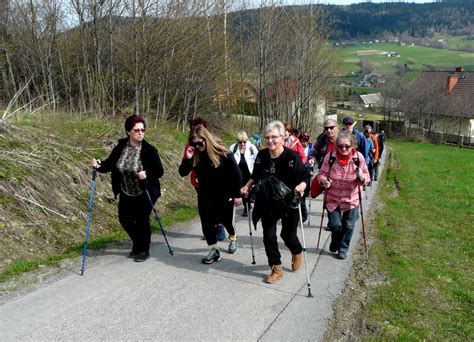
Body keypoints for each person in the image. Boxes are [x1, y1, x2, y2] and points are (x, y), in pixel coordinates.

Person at [241, 120, 307, 284]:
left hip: (288, 201)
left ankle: (296, 250)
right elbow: (255, 175)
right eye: (267, 137)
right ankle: (276, 268)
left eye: (274, 137)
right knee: (268, 236)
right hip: (268, 202)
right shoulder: (262, 155)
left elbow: (304, 176)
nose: (270, 141)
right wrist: (247, 186)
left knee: (287, 235)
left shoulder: (292, 157)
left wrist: (302, 185)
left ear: (283, 138)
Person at [92, 114, 164, 262]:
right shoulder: (120, 147)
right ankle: (138, 243)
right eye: (137, 130)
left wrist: (147, 174)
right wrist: (99, 166)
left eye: (143, 130)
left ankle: (143, 250)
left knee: (142, 220)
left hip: (145, 191)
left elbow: (159, 171)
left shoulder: (149, 150)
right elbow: (110, 164)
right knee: (124, 219)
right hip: (126, 190)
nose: (140, 133)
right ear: (128, 131)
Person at [179, 124, 243, 264]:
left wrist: (237, 194)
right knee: (207, 224)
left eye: (200, 143)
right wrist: (188, 158)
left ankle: (232, 237)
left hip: (224, 194)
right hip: (205, 195)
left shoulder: (222, 152)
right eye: (194, 144)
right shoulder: (195, 155)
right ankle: (213, 250)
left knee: (226, 221)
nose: (197, 146)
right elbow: (182, 172)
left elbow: (236, 174)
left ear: (206, 139)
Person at [316, 131, 370, 260]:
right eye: (340, 146)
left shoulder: (358, 158)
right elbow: (321, 173)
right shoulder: (330, 157)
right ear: (336, 146)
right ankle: (335, 241)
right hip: (333, 198)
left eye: (347, 146)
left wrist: (361, 177)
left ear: (352, 145)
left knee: (349, 226)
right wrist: (323, 181)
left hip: (352, 198)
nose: (343, 148)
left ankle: (343, 249)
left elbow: (367, 177)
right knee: (335, 225)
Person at [182, 118, 226, 241]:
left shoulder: (214, 144)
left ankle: (219, 227)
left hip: (216, 184)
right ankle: (211, 231)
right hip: (198, 182)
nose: (195, 131)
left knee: (215, 208)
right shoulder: (190, 146)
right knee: (206, 210)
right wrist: (188, 158)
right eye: (193, 128)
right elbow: (183, 170)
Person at [229, 131, 258, 216]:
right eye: (240, 142)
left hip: (249, 173)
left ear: (247, 141)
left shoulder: (252, 148)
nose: (242, 144)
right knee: (240, 190)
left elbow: (258, 159)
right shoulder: (233, 148)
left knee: (248, 190)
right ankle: (246, 205)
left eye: (244, 142)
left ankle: (247, 207)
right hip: (238, 174)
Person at [299, 131, 315, 222]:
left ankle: (303, 213)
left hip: (308, 173)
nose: (304, 143)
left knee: (304, 195)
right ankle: (303, 214)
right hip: (298, 173)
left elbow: (314, 157)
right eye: (302, 140)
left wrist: (312, 160)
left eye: (306, 140)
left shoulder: (312, 148)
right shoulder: (297, 147)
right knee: (300, 195)